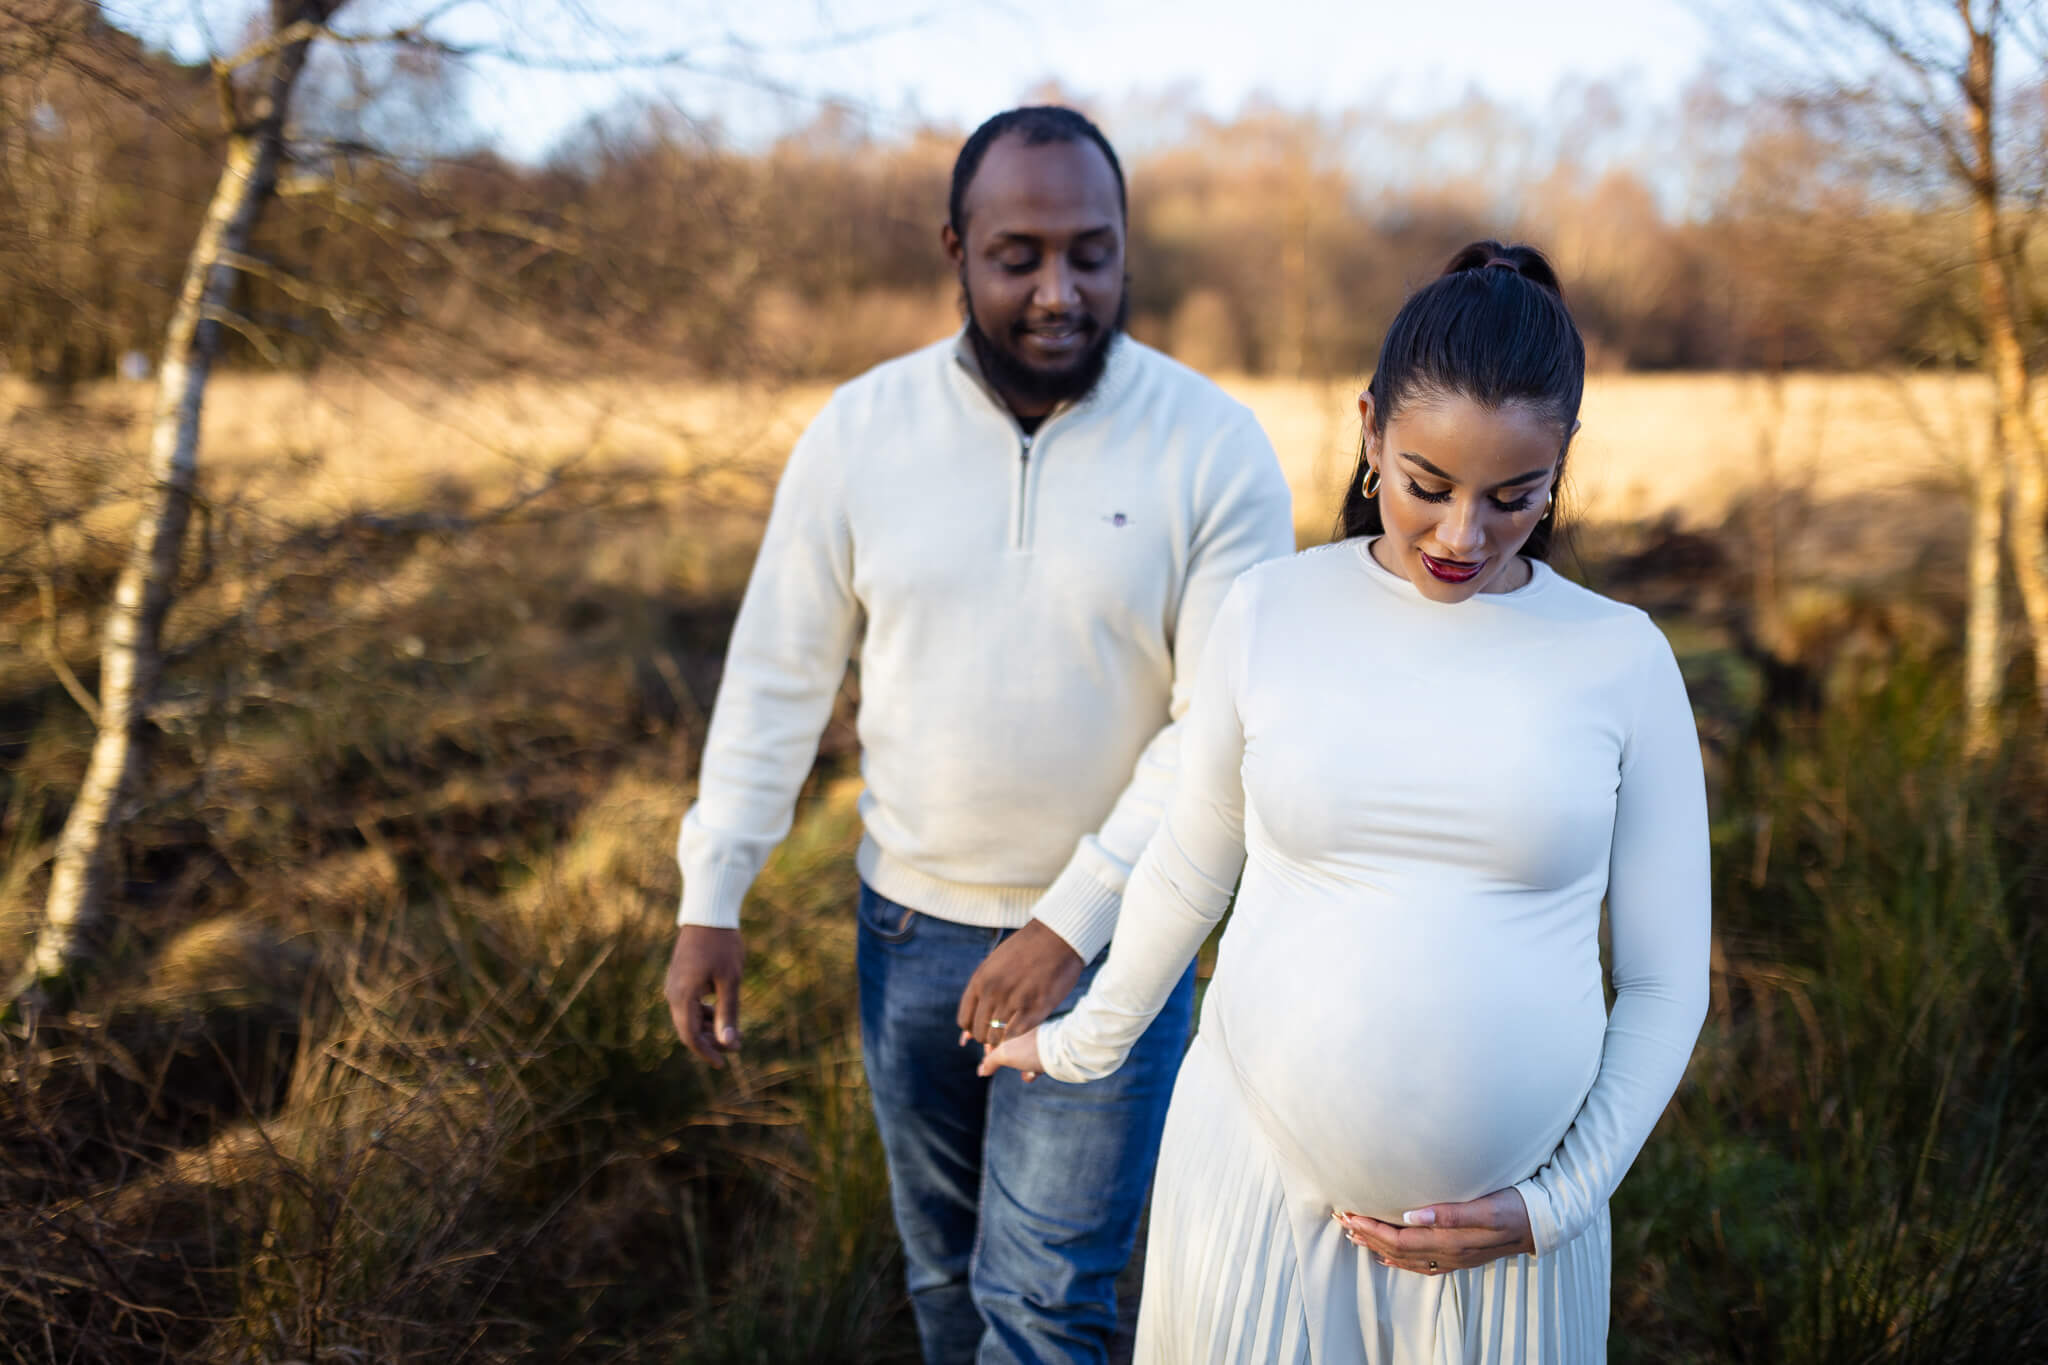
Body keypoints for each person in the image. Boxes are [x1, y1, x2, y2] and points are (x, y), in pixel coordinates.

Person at [981, 241, 1712, 1363]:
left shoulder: (1619, 659)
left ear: (1561, 459)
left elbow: (1664, 983)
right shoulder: (1272, 611)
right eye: (1427, 485)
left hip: (1511, 1242)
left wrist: (1553, 1207)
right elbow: (1191, 862)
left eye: (1512, 497)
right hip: (1254, 1182)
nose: (1462, 536)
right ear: (1369, 431)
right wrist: (1085, 1043)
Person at [663, 105, 1296, 1363]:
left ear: (1125, 250)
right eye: (1020, 255)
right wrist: (712, 888)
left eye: (1091, 252)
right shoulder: (859, 433)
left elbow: (1217, 726)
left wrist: (1069, 921)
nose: (1060, 290)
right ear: (954, 248)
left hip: (1117, 942)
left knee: (1046, 1304)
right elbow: (778, 673)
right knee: (946, 1287)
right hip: (906, 934)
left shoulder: (1213, 446)